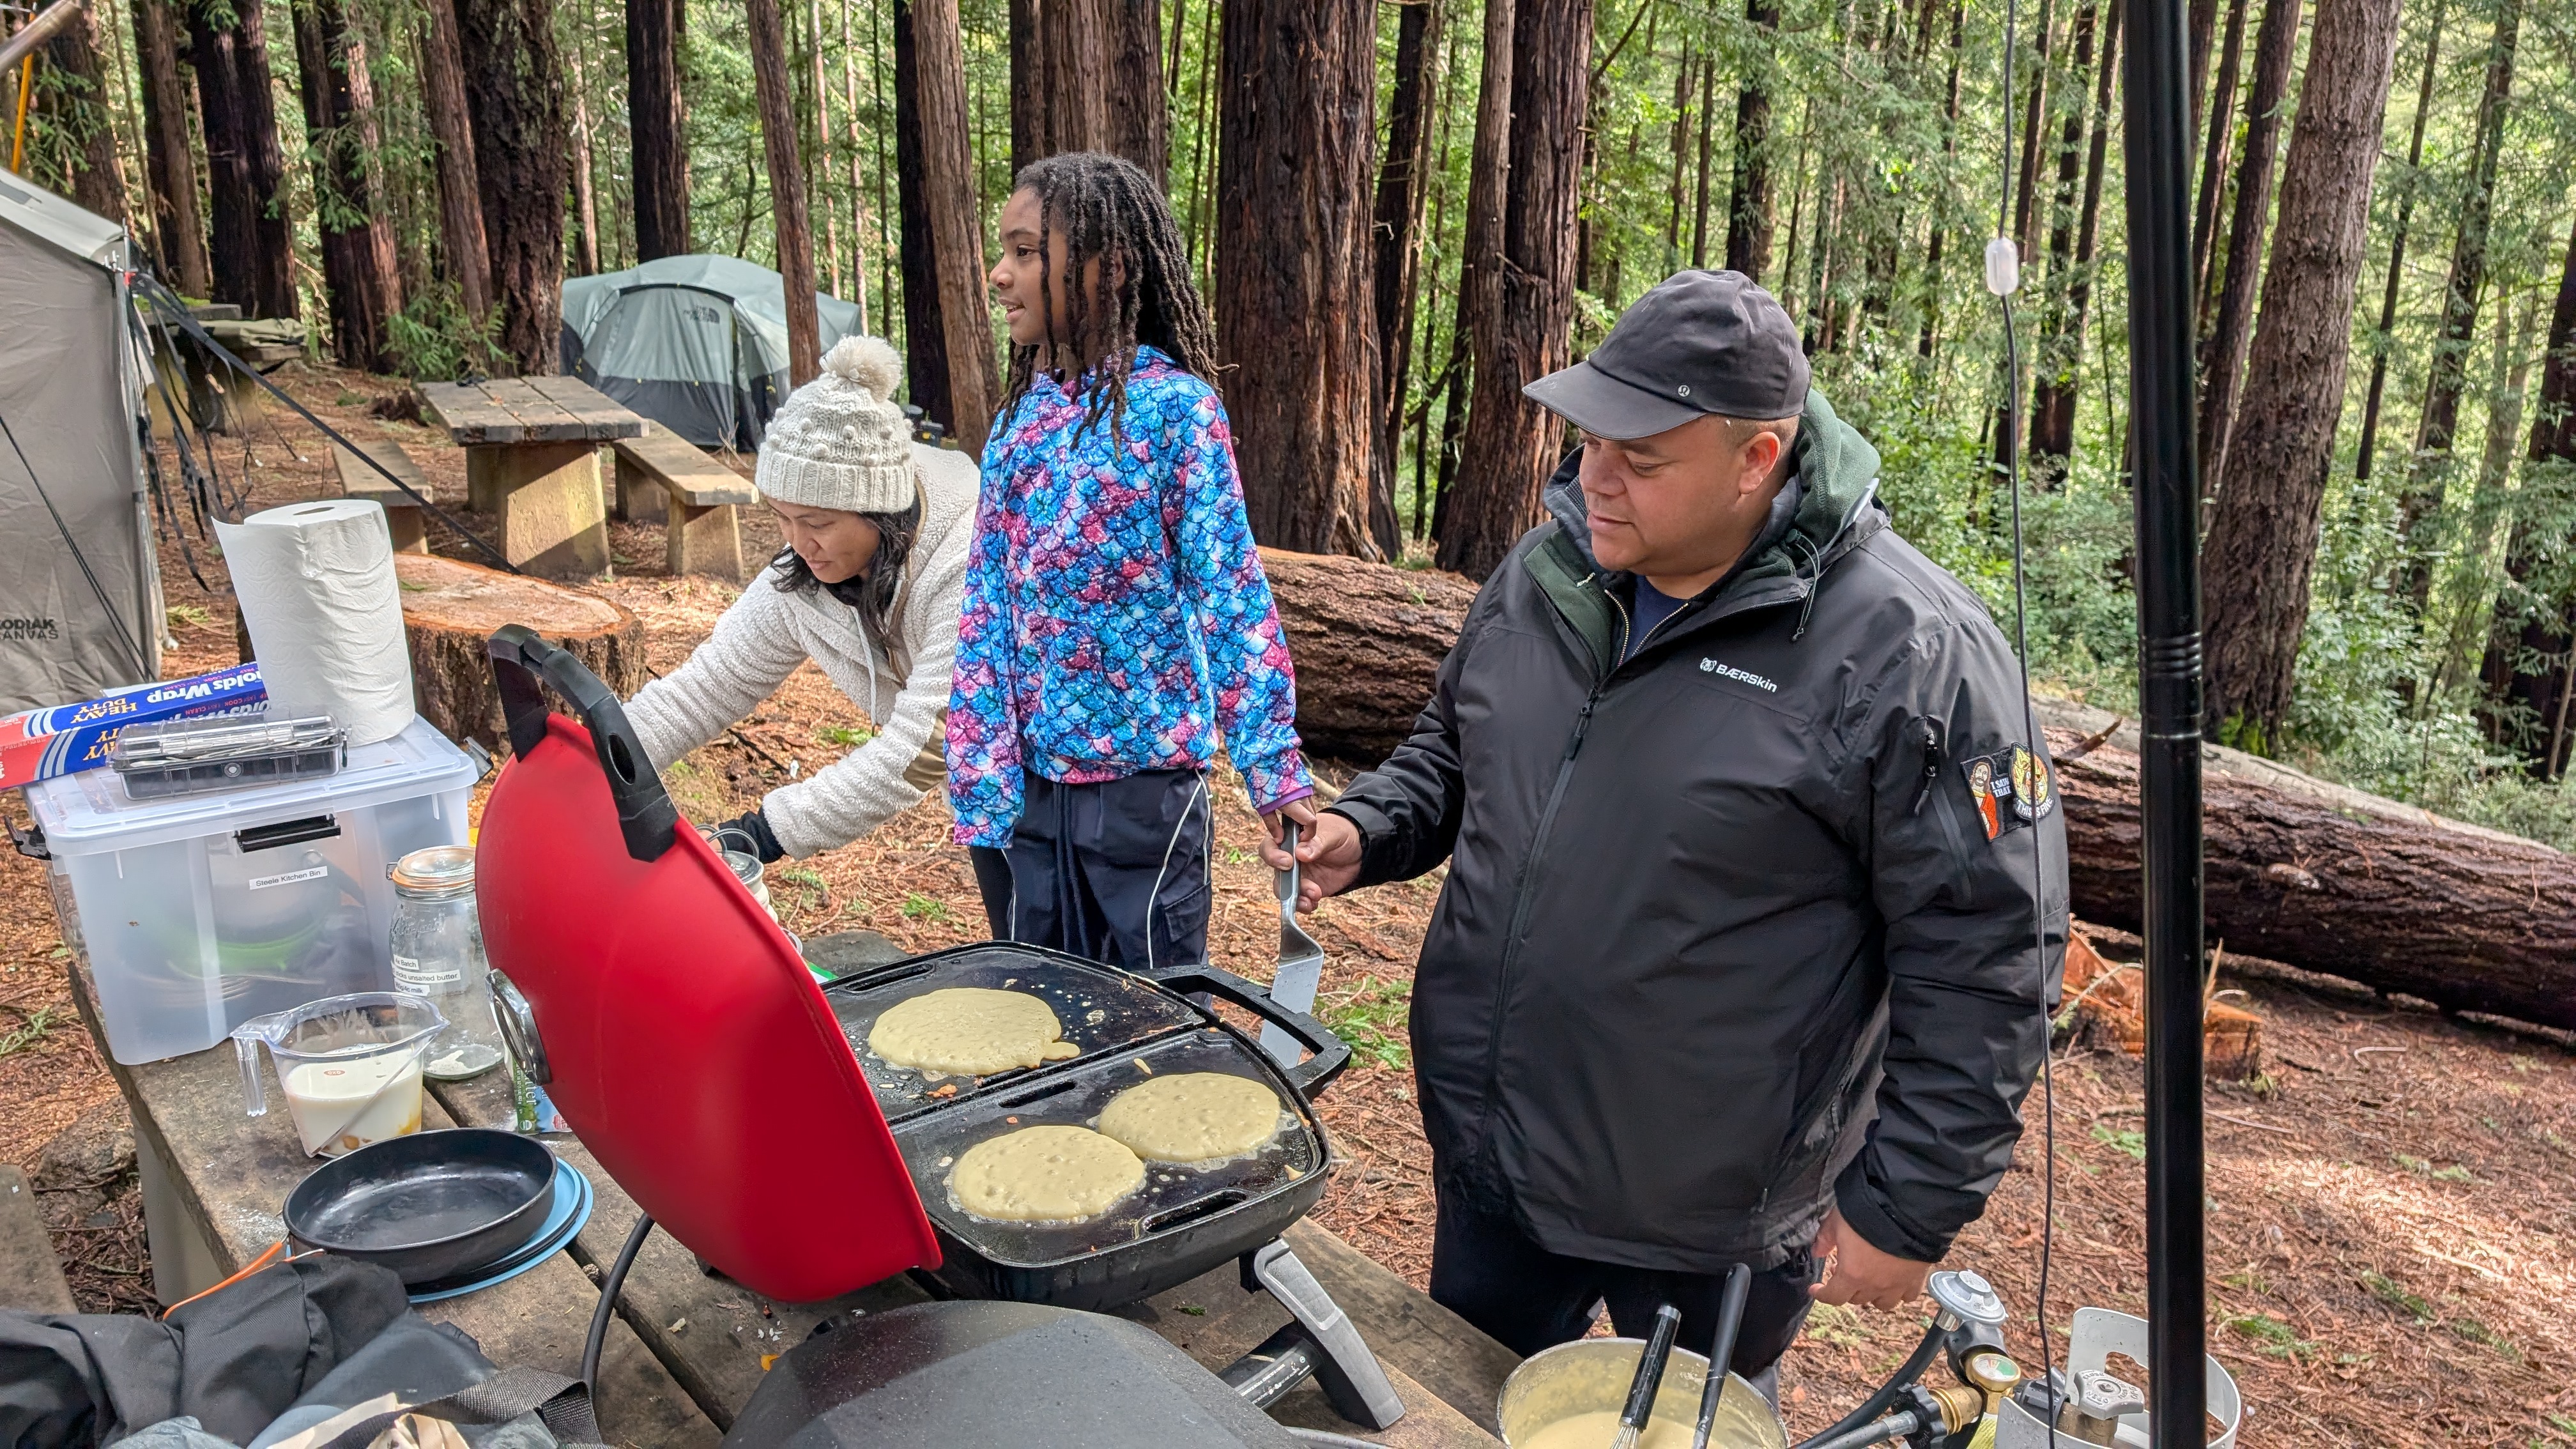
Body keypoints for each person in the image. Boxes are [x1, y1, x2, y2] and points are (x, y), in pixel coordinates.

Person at [1273, 271, 2066, 1400]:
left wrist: (1908, 1207)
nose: (1593, 477)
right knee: (1476, 1401)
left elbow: (1989, 954)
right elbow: (1455, 745)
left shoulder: (1912, 654)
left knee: (1688, 1426)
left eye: (1641, 459)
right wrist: (1370, 826)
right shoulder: (1552, 568)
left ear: (1758, 459)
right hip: (1496, 1158)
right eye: (1591, 439)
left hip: (1708, 1217)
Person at [947, 150, 1316, 972]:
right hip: (1033, 797)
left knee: (1156, 1015)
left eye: (1025, 252)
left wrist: (1272, 765)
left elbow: (1230, 593)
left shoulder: (1175, 413)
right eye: (1002, 252)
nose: (999, 275)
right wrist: (981, 772)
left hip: (1145, 797)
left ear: (1109, 268)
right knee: (1044, 1010)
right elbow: (988, 609)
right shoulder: (1017, 426)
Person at [624, 335, 977, 862]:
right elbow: (709, 685)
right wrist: (598, 759)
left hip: (1058, 785)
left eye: (817, 523)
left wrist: (761, 833)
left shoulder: (965, 559)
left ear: (881, 511)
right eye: (782, 518)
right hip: (981, 796)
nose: (798, 542)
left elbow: (929, 741)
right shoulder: (809, 570)